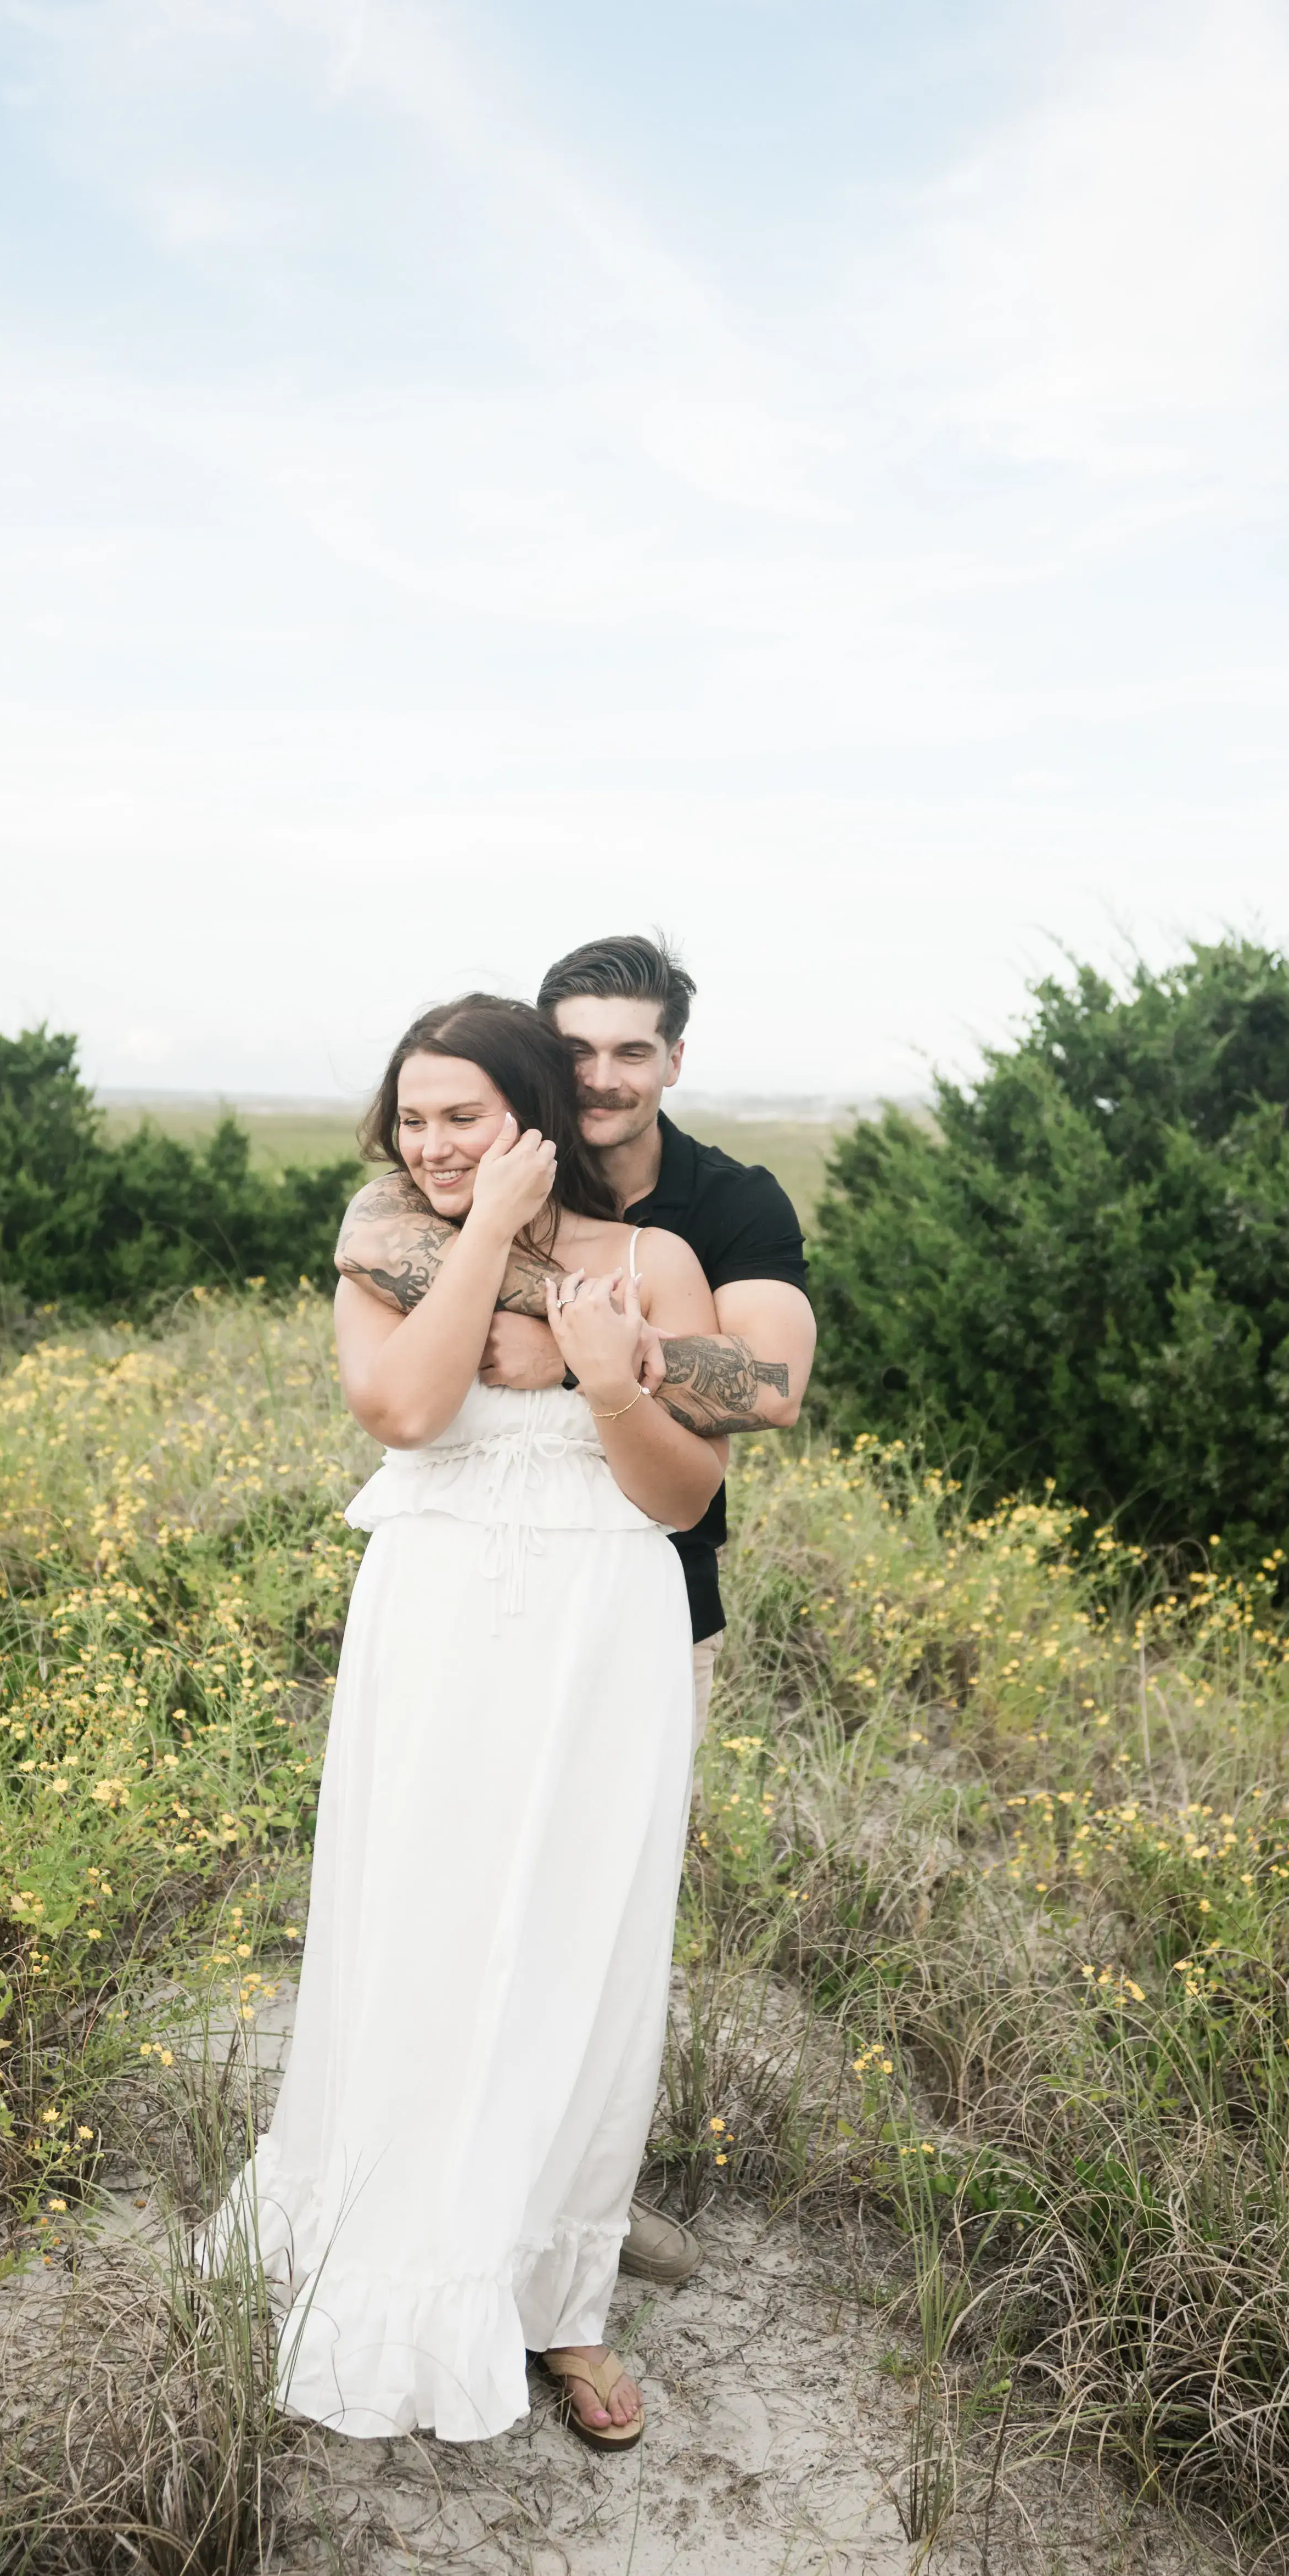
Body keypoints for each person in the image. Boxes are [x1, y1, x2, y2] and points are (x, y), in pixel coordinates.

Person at [198, 994, 726, 2451]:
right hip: (435, 1631)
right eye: (414, 1118)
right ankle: (384, 2241)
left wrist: (608, 1377)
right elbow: (404, 1413)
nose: (432, 1143)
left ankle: (561, 2298)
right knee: (419, 1923)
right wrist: (490, 1234)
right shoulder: (386, 1251)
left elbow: (681, 1498)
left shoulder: (660, 1262)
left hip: (602, 1639)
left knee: (579, 1945)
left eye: (464, 1118)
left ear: (532, 1118)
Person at [332, 934, 816, 2292]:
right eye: (579, 1048)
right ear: (547, 1060)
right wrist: (500, 1252)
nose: (603, 1077)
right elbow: (385, 1308)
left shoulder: (718, 1207)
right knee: (433, 1896)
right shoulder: (412, 1202)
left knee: (594, 1911)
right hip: (450, 1599)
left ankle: (574, 2217)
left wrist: (586, 1351)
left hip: (644, 1600)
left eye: (632, 1050)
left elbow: (770, 1392)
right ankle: (430, 2191)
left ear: (672, 1058)